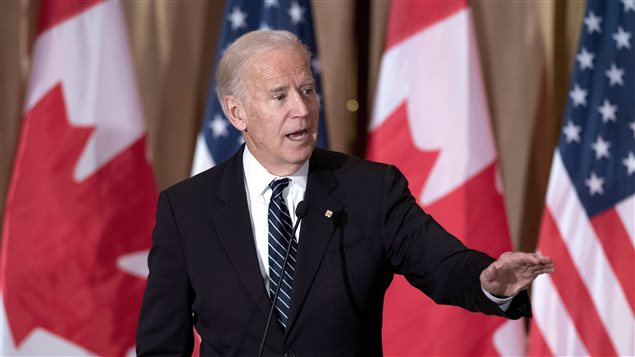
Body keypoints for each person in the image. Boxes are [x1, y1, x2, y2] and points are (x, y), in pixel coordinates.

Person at [136, 30, 554, 356]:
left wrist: (490, 283)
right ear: (236, 112)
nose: (301, 109)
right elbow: (162, 344)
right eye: (279, 96)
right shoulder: (186, 209)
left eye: (307, 90)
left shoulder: (370, 190)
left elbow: (442, 265)